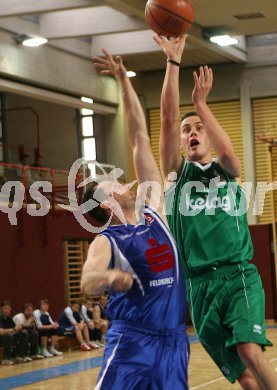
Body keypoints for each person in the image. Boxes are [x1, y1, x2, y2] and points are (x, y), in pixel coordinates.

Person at [154, 34, 277, 390]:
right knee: (241, 375)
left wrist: (200, 104)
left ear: (208, 136)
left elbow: (229, 153)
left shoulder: (227, 170)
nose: (192, 132)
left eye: (199, 128)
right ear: (181, 143)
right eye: (187, 130)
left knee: (250, 352)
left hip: (237, 274)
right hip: (198, 287)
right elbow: (166, 117)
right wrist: (172, 61)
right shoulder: (176, 177)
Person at [80, 49, 189, 390]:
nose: (120, 178)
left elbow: (139, 137)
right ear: (106, 200)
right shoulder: (108, 240)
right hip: (132, 342)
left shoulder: (154, 211)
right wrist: (109, 274)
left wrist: (124, 81)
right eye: (109, 181)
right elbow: (87, 283)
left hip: (174, 341)